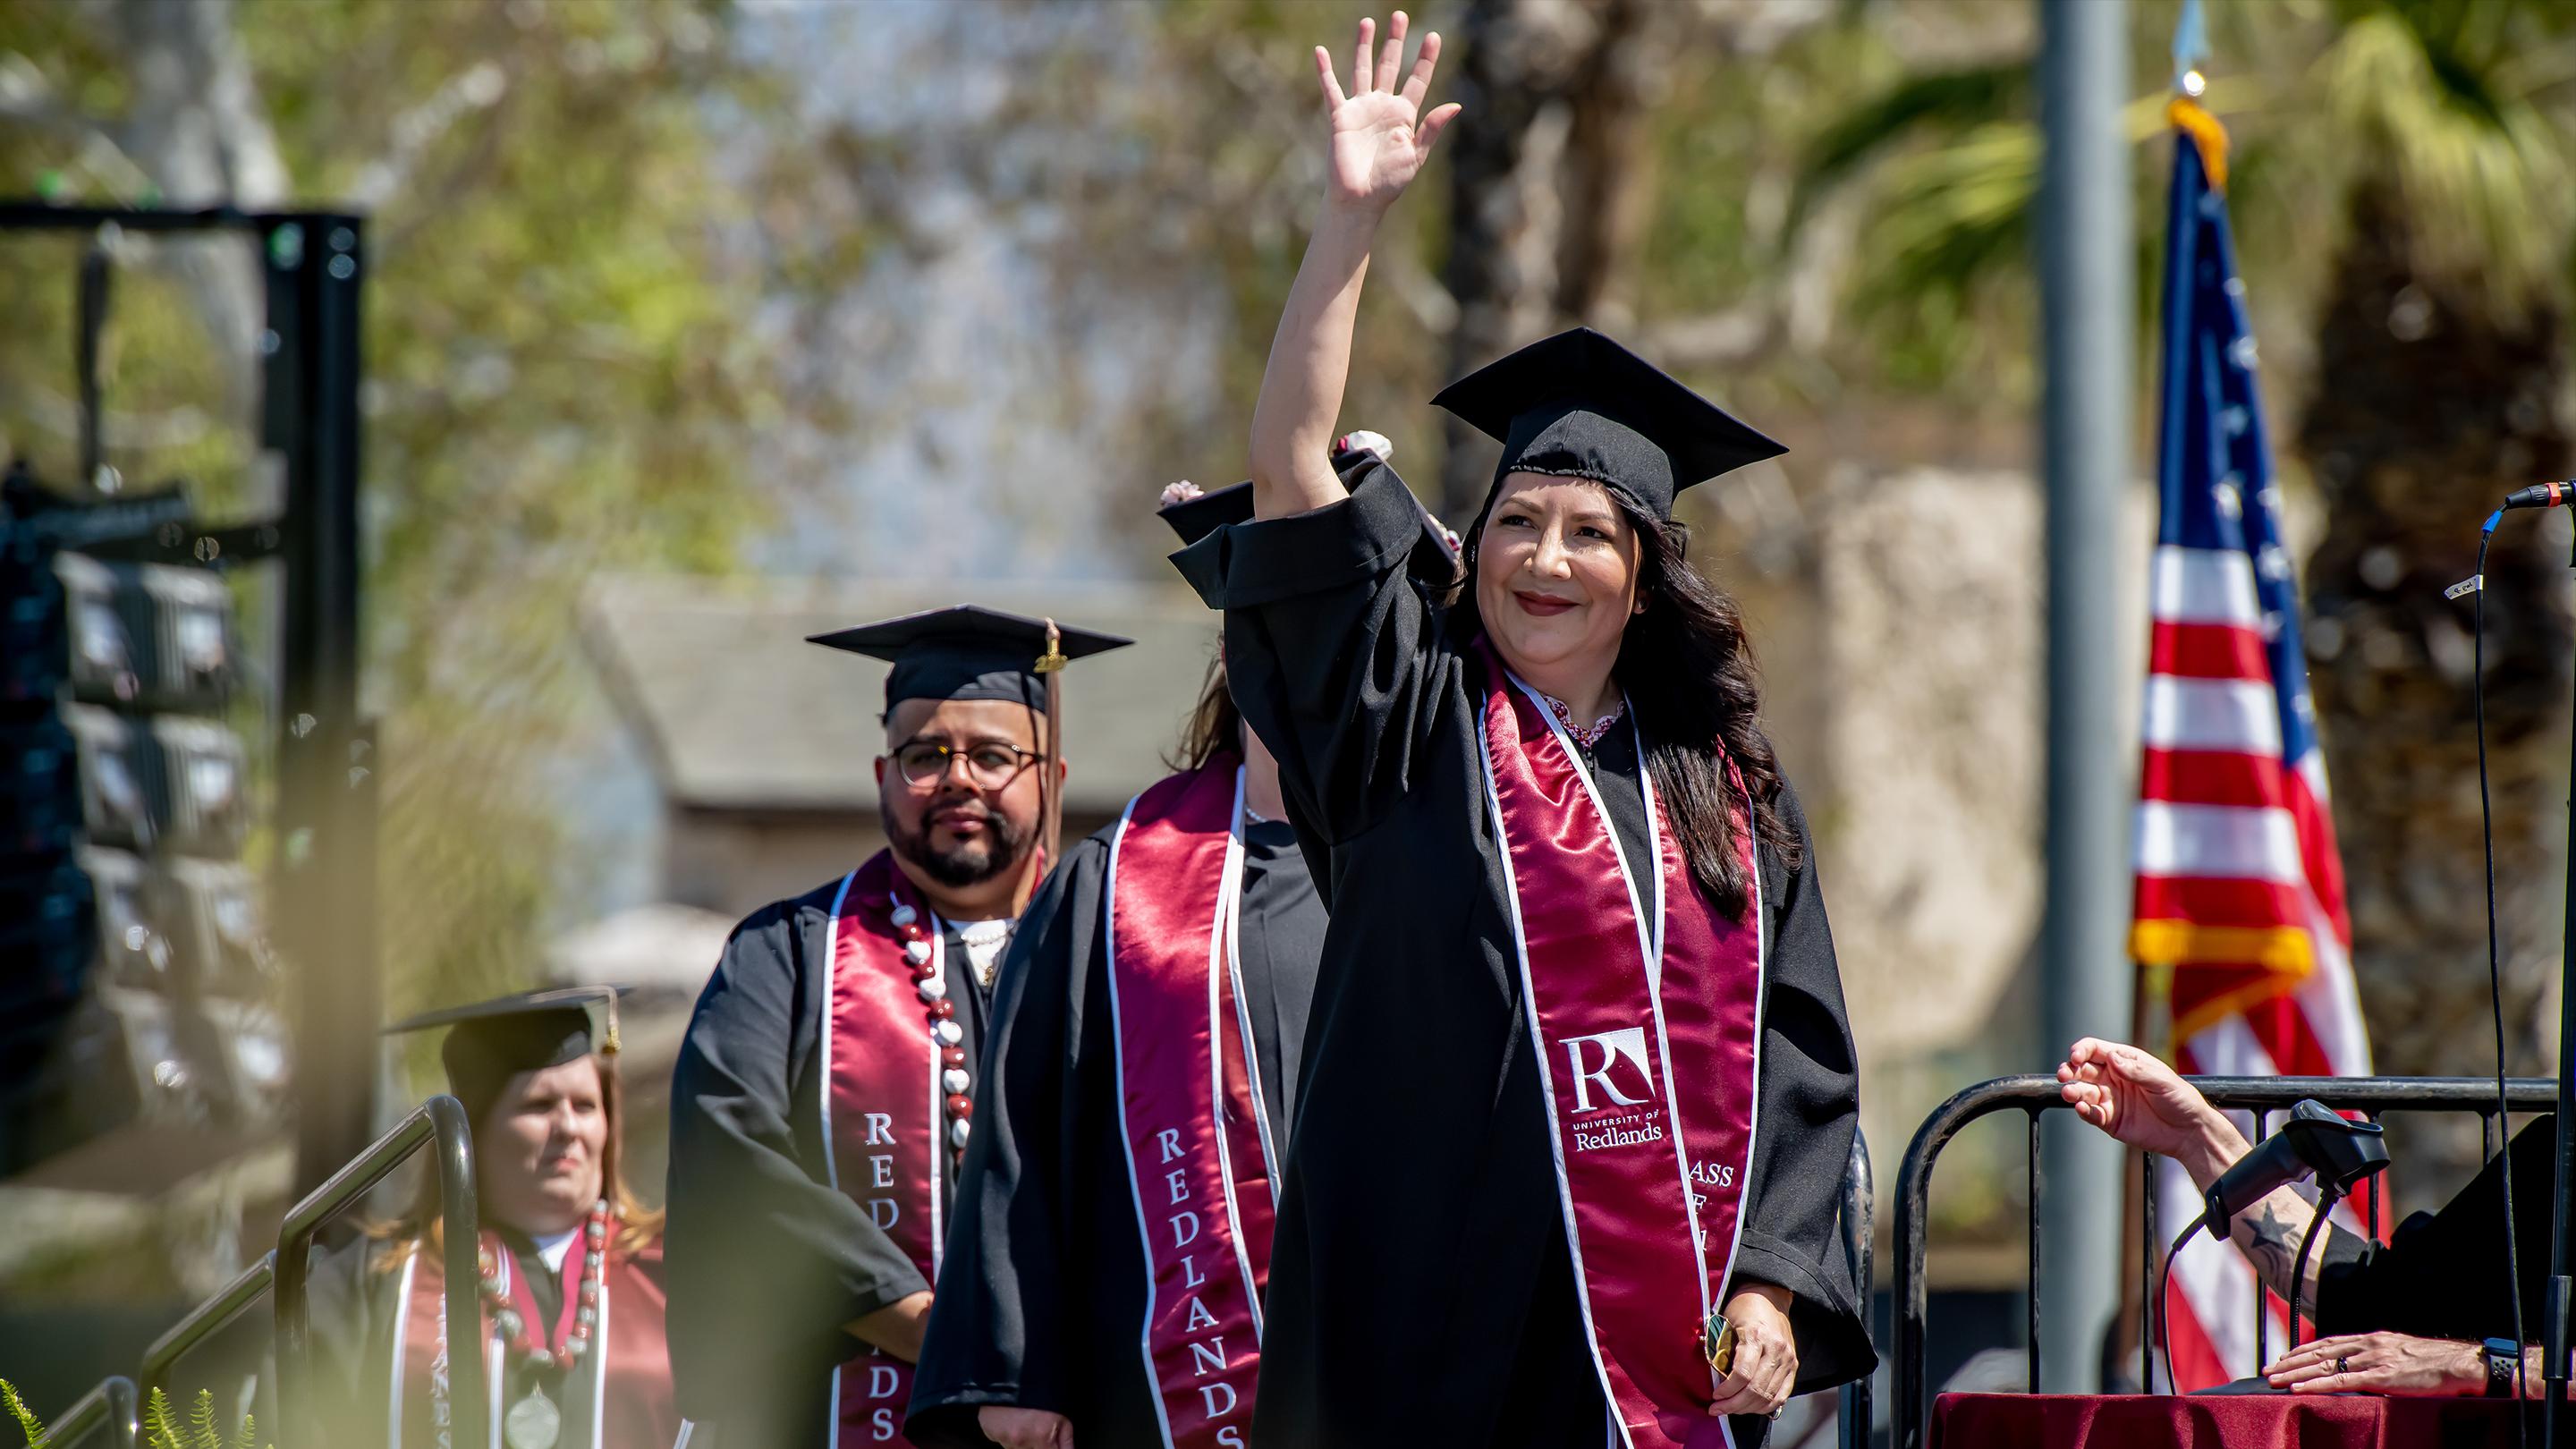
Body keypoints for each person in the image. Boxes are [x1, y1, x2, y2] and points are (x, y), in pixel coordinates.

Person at [1165, 15, 1873, 1446]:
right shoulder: (1411, 714)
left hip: (1643, 1345)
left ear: (1645, 576)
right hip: (1412, 1317)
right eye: (1518, 525)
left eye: (1588, 537)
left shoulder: (1723, 784)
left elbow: (1800, 1048)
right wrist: (1349, 226)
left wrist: (1776, 1287)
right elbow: (1293, 471)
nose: (1543, 560)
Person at [907, 442, 1453, 1449]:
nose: (1317, 664)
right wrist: (1018, 1366)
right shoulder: (1116, 890)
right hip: (1173, 1396)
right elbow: (1024, 1136)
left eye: (1349, 629)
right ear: (1234, 656)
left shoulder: (1475, 868)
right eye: (1285, 626)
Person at [664, 606, 1128, 1447]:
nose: (958, 779)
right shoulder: (789, 955)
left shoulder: (1115, 958)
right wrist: (940, 1336)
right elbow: (730, 1160)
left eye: (992, 755)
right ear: (882, 774)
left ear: (1052, 778)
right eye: (925, 756)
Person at [2056, 1036, 2555, 1400]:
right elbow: (2377, 1298)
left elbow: (2432, 1353)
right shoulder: (2557, 1155)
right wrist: (2198, 1135)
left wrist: (2476, 1366)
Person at [307, 987, 684, 1449]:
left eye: (585, 1105)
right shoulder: (375, 1282)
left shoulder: (672, 1267)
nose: (568, 1127)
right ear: (474, 1130)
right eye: (538, 1106)